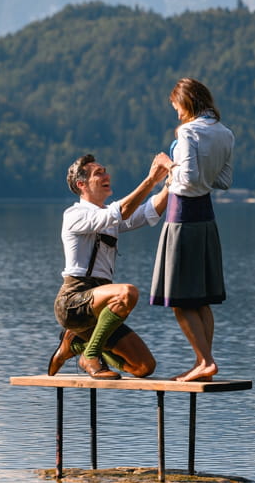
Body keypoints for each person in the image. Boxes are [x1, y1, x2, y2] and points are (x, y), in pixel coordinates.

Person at [49, 152, 171, 380]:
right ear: (81, 184)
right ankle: (91, 354)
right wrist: (151, 180)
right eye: (98, 173)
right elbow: (122, 211)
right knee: (127, 293)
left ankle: (76, 344)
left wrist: (171, 183)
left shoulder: (107, 216)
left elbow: (147, 212)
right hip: (74, 301)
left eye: (105, 171)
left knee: (144, 367)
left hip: (99, 305)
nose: (107, 175)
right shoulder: (74, 214)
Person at [150, 78, 234, 382]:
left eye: (176, 107)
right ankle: (203, 364)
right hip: (206, 219)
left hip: (182, 217)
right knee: (200, 298)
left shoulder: (187, 132)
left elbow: (186, 179)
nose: (176, 114)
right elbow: (223, 180)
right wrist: (200, 177)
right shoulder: (225, 133)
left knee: (179, 299)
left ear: (186, 103)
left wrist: (166, 164)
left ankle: (205, 361)